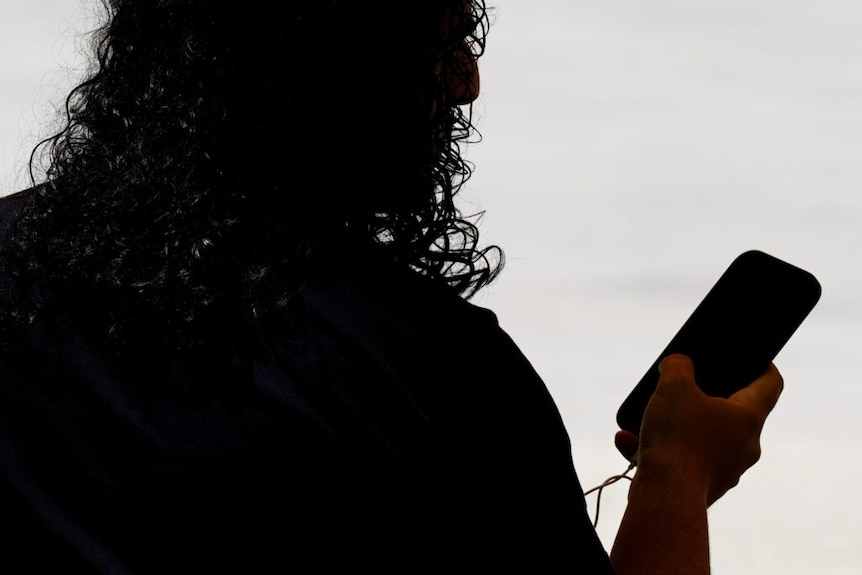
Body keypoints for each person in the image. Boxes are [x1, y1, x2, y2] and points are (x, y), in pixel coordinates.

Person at [0, 0, 782, 572]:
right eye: (440, 43)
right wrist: (677, 476)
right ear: (332, 73)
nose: (467, 84)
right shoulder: (435, 381)